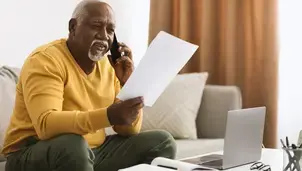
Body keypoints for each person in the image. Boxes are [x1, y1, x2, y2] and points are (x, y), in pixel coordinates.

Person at [1, 0, 177, 170]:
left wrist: (128, 84)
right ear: (73, 27)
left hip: (88, 153)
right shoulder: (46, 60)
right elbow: (46, 125)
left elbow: (128, 130)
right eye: (96, 26)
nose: (104, 36)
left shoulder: (109, 66)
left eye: (110, 30)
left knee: (162, 141)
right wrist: (108, 116)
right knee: (72, 145)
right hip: (31, 153)